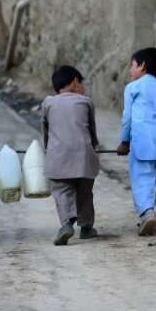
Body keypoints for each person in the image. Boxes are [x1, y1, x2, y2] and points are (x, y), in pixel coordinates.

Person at [117, 47, 156, 236]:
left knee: (142, 175)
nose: (130, 70)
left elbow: (127, 117)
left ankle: (146, 212)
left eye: (132, 65)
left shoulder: (132, 88)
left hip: (144, 139)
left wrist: (124, 141)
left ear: (142, 66)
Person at [41, 65, 100, 246]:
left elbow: (45, 131)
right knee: (84, 192)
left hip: (58, 156)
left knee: (61, 190)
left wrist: (47, 150)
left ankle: (66, 224)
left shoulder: (48, 103)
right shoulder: (85, 102)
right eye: (82, 83)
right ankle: (86, 227)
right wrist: (95, 146)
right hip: (83, 155)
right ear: (75, 82)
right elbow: (91, 130)